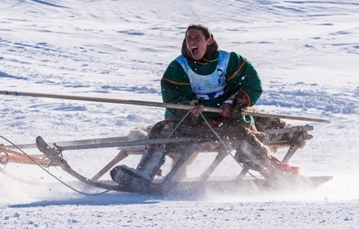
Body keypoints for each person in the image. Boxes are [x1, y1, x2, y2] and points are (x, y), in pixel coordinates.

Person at [110, 24, 296, 190]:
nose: (192, 42)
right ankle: (143, 176)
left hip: (226, 123)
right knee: (159, 130)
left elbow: (252, 84)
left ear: (209, 40)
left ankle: (276, 176)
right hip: (193, 126)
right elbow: (172, 94)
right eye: (188, 38)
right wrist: (187, 107)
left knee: (242, 136)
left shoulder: (230, 61)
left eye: (197, 38)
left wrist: (233, 102)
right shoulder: (179, 66)